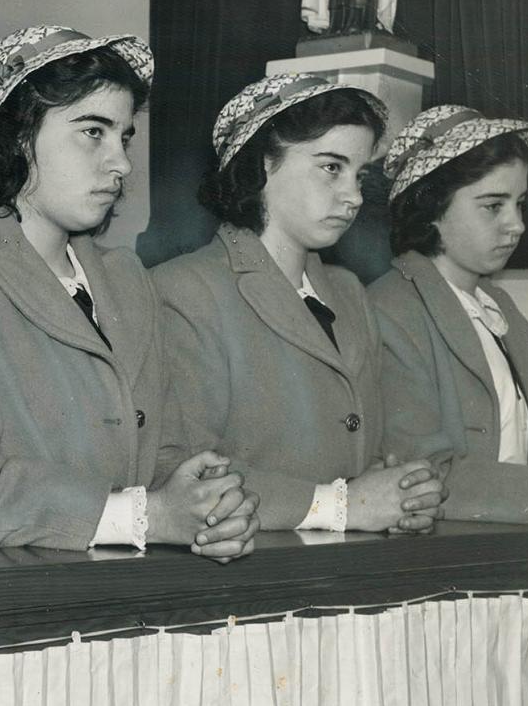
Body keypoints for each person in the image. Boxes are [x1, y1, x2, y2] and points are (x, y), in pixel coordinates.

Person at [0, 26, 259, 558]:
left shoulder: (126, 278)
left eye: (124, 136)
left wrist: (211, 503)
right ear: (17, 136)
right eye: (92, 132)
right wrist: (149, 515)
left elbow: (166, 452)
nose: (121, 163)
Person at [153, 73, 445, 533]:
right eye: (331, 167)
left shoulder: (348, 292)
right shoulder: (185, 290)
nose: (352, 197)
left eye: (359, 174)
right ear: (262, 166)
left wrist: (402, 495)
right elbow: (191, 477)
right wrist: (346, 505)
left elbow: (371, 455)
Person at [371, 106, 528, 550]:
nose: (517, 225)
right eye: (493, 206)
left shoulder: (498, 306)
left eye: (520, 204)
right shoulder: (388, 309)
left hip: (514, 550)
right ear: (431, 209)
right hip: (440, 562)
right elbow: (431, 472)